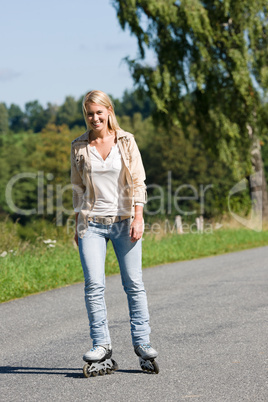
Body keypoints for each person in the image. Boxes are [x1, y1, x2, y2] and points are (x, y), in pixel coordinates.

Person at [71, 90, 158, 375]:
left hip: (124, 222)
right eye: (89, 113)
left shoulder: (126, 141)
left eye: (99, 112)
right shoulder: (78, 146)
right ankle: (101, 345)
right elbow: (77, 188)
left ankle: (143, 343)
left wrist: (138, 216)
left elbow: (138, 181)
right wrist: (77, 224)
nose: (94, 118)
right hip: (91, 224)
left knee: (134, 284)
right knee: (94, 286)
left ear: (109, 111)